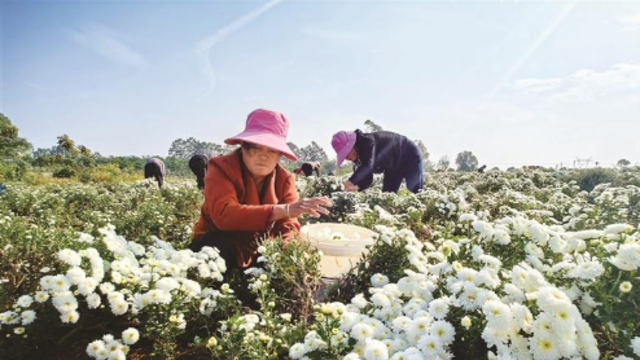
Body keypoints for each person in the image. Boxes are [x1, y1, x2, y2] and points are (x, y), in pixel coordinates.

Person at [189, 109, 333, 270]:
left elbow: (289, 225)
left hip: (258, 249)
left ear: (280, 155)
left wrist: (286, 253)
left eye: (272, 149)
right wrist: (284, 210)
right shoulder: (221, 168)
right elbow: (224, 215)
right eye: (256, 147)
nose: (263, 156)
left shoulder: (285, 179)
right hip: (217, 246)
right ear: (243, 146)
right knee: (217, 245)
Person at [331, 129, 424, 194]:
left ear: (352, 146)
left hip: (409, 156)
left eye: (346, 153)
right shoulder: (357, 157)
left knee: (415, 189)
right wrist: (355, 188)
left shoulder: (368, 142)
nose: (346, 158)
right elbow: (367, 178)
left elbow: (368, 166)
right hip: (392, 168)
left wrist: (347, 183)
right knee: (387, 196)